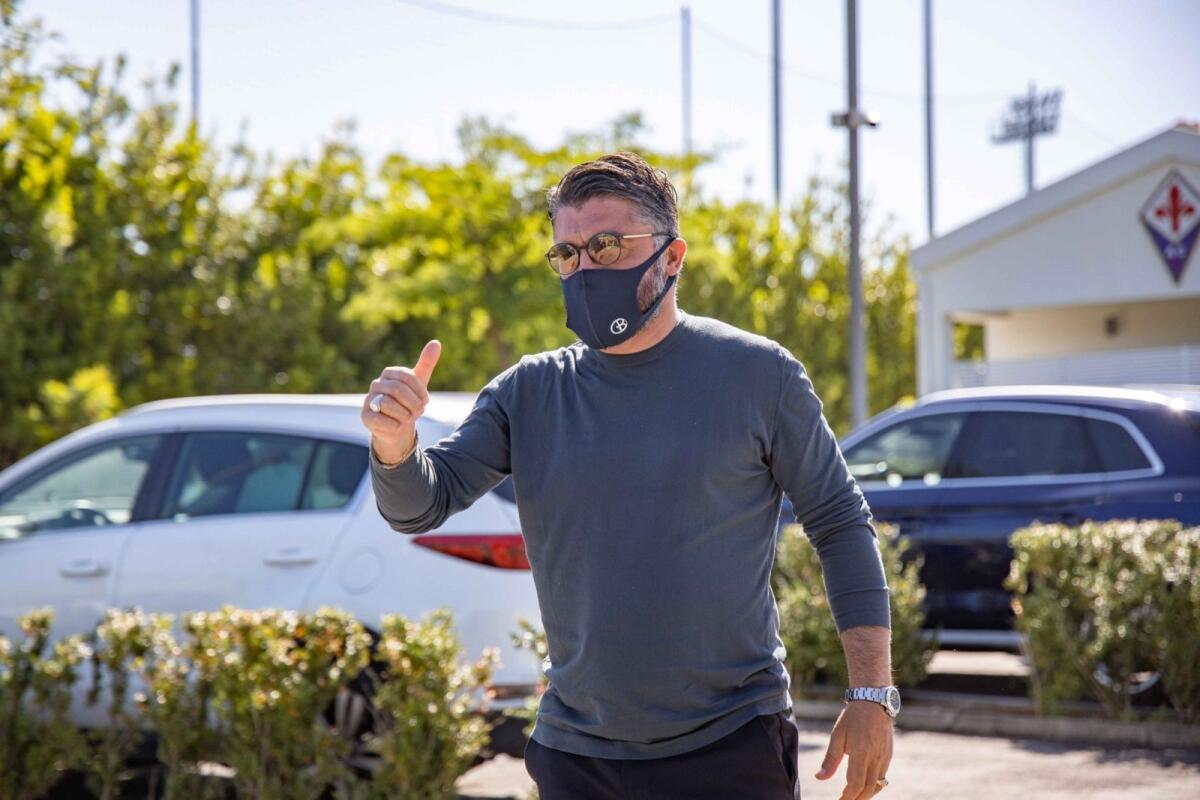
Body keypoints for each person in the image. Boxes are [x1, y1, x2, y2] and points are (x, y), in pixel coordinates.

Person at [361, 152, 897, 800]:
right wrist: (396, 445)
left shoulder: (760, 376)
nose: (584, 269)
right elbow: (424, 501)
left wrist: (871, 693)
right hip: (576, 758)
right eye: (568, 253)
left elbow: (840, 522)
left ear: (672, 257)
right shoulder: (528, 393)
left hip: (731, 748)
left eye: (606, 246)